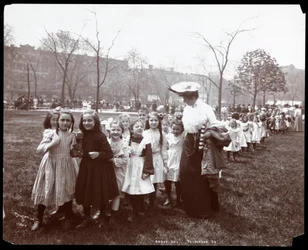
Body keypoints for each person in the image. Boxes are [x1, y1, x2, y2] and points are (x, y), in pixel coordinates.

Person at [168, 81, 223, 219]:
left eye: (185, 97)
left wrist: (207, 135)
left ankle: (203, 208)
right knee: (186, 171)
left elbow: (216, 126)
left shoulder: (205, 108)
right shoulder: (186, 109)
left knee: (200, 174)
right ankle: (190, 205)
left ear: (193, 96)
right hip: (189, 142)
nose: (184, 100)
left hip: (203, 142)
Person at [31, 110, 79, 231]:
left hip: (67, 165)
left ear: (71, 122)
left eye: (68, 120)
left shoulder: (72, 135)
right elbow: (39, 149)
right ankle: (39, 218)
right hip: (51, 164)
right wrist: (53, 142)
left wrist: (78, 146)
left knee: (66, 188)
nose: (65, 122)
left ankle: (68, 215)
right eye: (62, 120)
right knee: (46, 189)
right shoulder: (50, 133)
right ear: (57, 121)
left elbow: (73, 152)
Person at [75, 110, 119, 230]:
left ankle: (103, 215)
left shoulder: (101, 135)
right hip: (86, 167)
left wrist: (98, 154)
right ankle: (87, 216)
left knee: (101, 191)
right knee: (86, 189)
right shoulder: (81, 135)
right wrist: (78, 142)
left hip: (100, 168)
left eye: (90, 120)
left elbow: (109, 153)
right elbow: (77, 149)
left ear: (96, 122)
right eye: (84, 120)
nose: (87, 123)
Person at [122, 119, 155, 222]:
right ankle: (132, 209)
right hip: (130, 166)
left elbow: (149, 157)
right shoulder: (127, 140)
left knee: (141, 188)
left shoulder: (146, 141)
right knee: (130, 187)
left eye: (141, 126)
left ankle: (140, 208)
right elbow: (123, 151)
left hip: (141, 165)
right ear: (131, 130)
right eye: (137, 126)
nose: (139, 128)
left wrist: (147, 170)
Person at [143, 112, 168, 209]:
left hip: (157, 158)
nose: (153, 122)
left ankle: (151, 201)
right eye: (151, 120)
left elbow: (164, 148)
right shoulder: (144, 133)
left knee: (154, 181)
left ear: (159, 122)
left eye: (155, 120)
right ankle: (143, 198)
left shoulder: (161, 134)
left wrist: (165, 162)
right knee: (145, 179)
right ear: (148, 121)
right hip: (147, 158)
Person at [107, 120, 130, 218]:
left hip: (118, 170)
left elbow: (125, 159)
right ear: (109, 130)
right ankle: (103, 210)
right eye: (113, 129)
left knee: (116, 190)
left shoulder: (123, 144)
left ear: (122, 132)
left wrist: (114, 160)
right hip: (106, 170)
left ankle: (114, 212)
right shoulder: (106, 142)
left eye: (118, 130)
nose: (115, 132)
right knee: (105, 189)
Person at [164, 119, 185, 207]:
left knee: (177, 181)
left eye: (178, 129)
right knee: (167, 180)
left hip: (179, 157)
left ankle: (178, 199)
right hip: (170, 157)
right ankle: (168, 197)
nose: (175, 131)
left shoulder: (183, 136)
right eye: (173, 129)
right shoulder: (168, 136)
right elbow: (164, 146)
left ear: (182, 129)